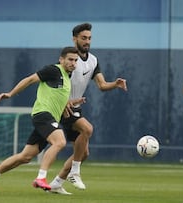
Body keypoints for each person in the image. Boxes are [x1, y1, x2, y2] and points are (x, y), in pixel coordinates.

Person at [0, 46, 82, 194]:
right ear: (61, 59)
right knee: (59, 142)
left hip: (50, 118)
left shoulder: (67, 77)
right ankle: (41, 177)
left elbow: (57, 98)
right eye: (70, 59)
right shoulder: (53, 70)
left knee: (25, 156)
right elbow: (29, 80)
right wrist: (10, 94)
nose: (73, 63)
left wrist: (67, 106)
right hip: (42, 114)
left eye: (75, 60)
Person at [49, 23, 127, 195]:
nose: (87, 41)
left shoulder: (93, 60)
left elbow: (102, 85)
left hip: (75, 108)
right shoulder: (69, 60)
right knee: (87, 128)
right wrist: (62, 103)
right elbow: (54, 84)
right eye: (83, 38)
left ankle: (56, 183)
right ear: (74, 39)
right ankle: (75, 172)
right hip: (64, 108)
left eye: (89, 38)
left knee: (84, 153)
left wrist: (115, 84)